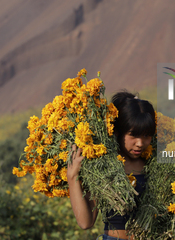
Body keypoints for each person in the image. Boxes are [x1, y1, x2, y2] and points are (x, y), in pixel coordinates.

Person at [67, 91, 156, 240]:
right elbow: (85, 222)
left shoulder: (154, 165)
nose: (140, 143)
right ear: (117, 132)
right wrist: (72, 177)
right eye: (133, 135)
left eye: (146, 136)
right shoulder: (104, 167)